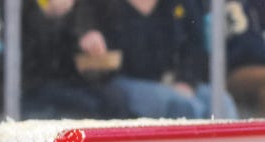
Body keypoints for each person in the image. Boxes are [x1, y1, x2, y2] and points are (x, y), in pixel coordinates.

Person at [75, 0, 239, 119]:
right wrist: (87, 34)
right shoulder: (99, 5)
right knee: (182, 107)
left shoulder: (180, 4)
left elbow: (194, 47)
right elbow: (78, 25)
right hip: (117, 83)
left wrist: (186, 82)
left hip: (168, 80)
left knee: (222, 103)